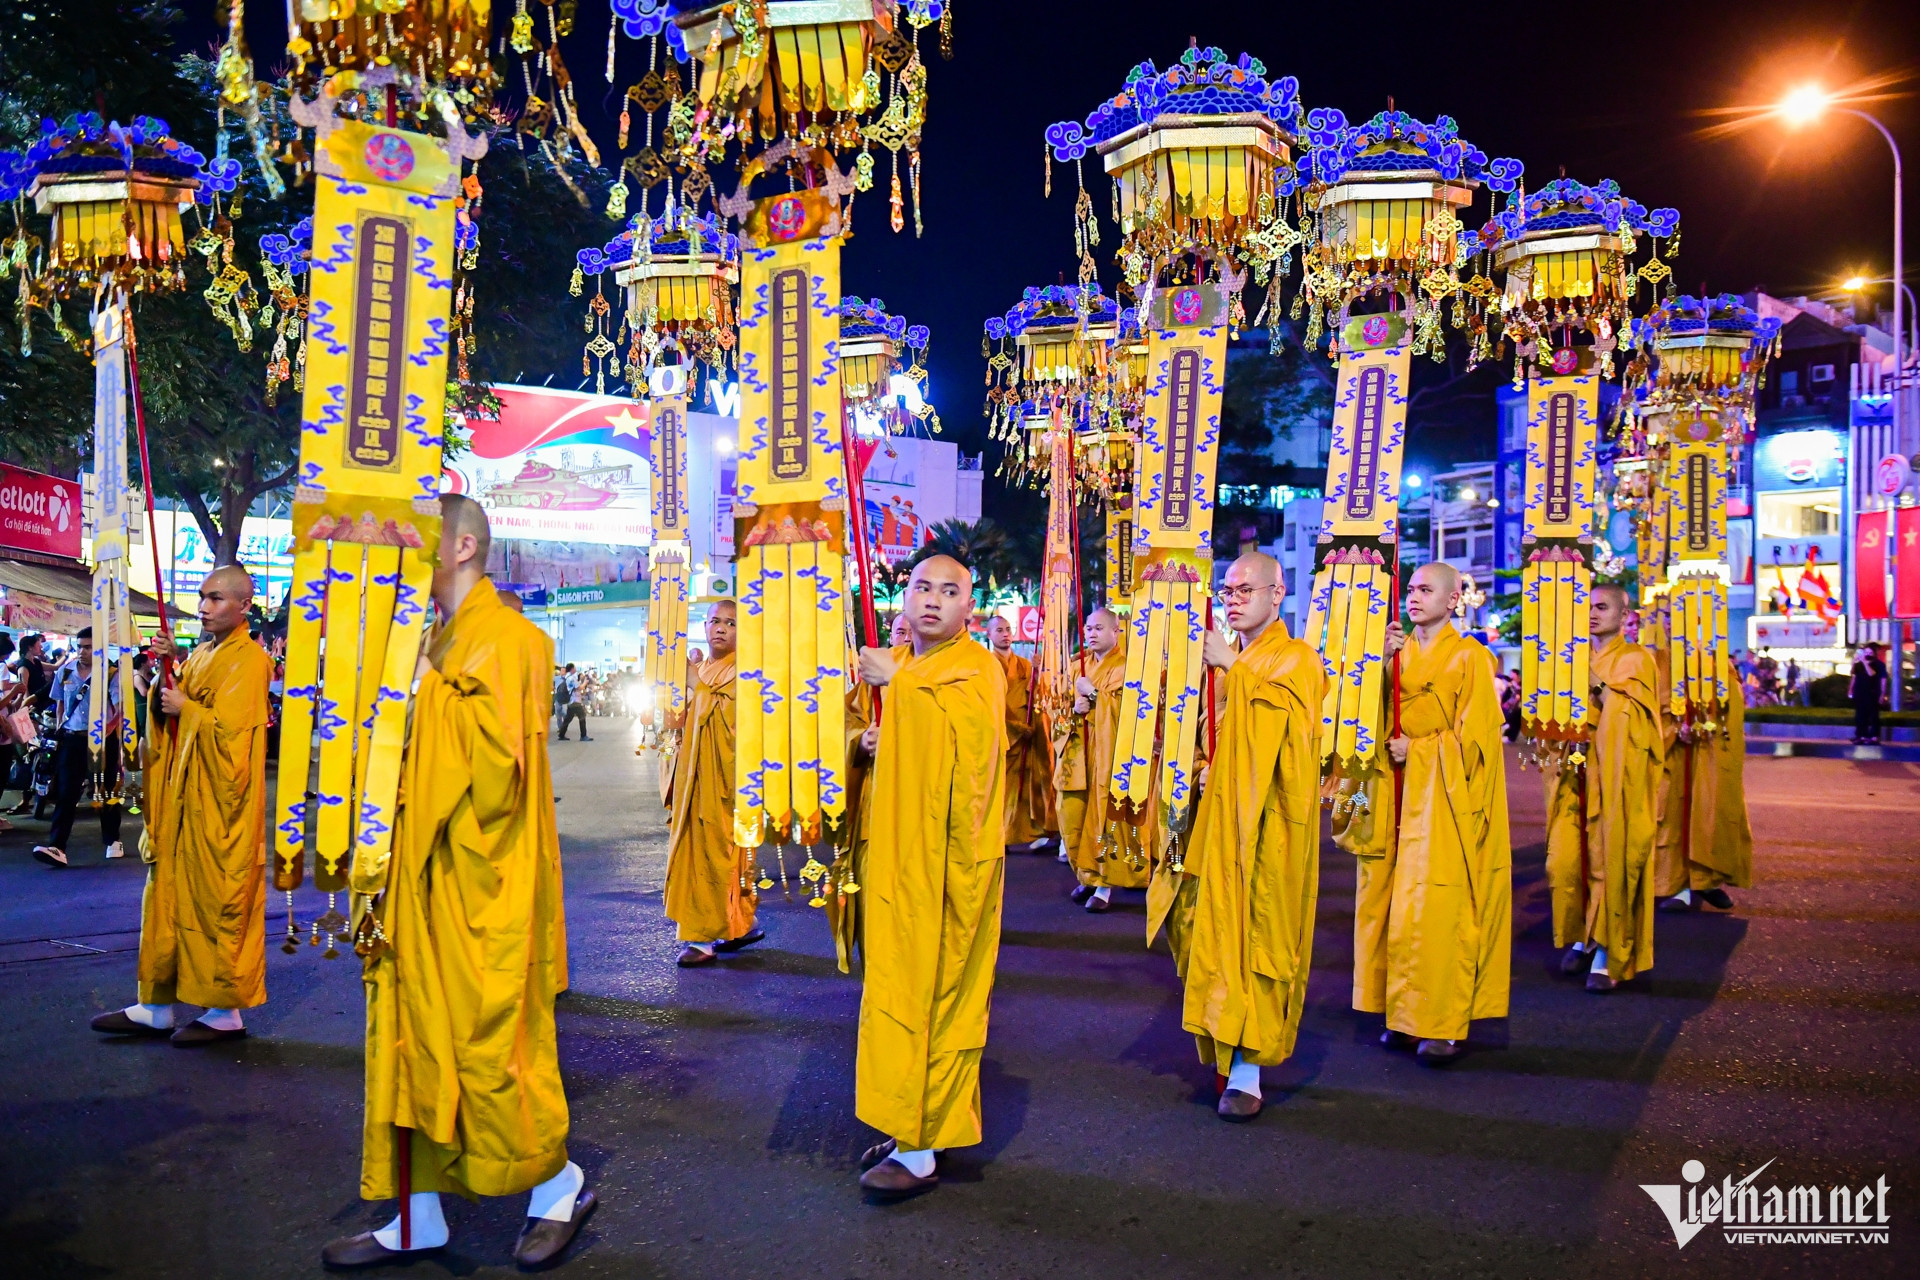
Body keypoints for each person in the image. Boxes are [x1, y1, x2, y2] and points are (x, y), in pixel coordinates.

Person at [322, 494, 593, 1269]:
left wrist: (418, 693)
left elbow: (497, 771)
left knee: (488, 1048)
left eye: (421, 538)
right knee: (411, 1043)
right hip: (420, 877)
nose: (408, 551)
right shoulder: (440, 639)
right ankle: (417, 1214)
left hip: (480, 881)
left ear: (464, 544)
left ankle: (558, 1185)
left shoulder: (504, 639)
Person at [851, 556, 1005, 1199]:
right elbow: (877, 735)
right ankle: (905, 1118)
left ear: (970, 607)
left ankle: (922, 1148)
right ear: (903, 597)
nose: (934, 600)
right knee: (893, 987)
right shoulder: (900, 664)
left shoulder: (978, 668)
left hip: (948, 864)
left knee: (936, 991)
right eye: (922, 587)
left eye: (950, 591)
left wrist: (905, 692)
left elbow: (969, 751)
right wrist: (866, 740)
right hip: (895, 855)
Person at [1333, 562, 1511, 1065]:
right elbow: (1362, 721)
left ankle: (1443, 1024)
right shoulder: (1397, 650)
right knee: (1391, 905)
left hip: (1443, 801)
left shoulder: (1471, 657)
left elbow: (1479, 742)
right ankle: (1402, 1015)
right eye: (1410, 589)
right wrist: (1377, 666)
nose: (1414, 597)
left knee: (1437, 908)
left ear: (1454, 600)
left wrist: (1425, 751)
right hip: (1393, 795)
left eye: (1426, 590)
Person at [89, 567, 273, 1044]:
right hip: (181, 803)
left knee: (218, 903)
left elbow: (232, 741)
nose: (204, 607)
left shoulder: (250, 661)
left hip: (220, 810)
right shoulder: (204, 655)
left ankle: (224, 1011)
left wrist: (185, 709)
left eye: (215, 598)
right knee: (165, 899)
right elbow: (171, 712)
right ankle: (155, 1004)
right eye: (201, 597)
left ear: (243, 607)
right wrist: (167, 679)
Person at [1177, 553, 1324, 1120]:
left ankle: (1248, 1070)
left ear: (1277, 593)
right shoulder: (1232, 658)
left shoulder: (1298, 660)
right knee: (1211, 928)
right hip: (1221, 820)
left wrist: (1235, 677)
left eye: (1245, 590)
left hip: (1270, 827)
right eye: (1227, 590)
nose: (1233, 599)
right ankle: (1223, 1045)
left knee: (1258, 935)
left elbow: (1292, 737)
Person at [1544, 583, 1664, 993]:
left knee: (1609, 861)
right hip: (1572, 777)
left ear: (1624, 615)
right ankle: (1583, 932)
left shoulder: (1637, 659)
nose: (1592, 614)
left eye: (1602, 607)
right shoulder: (1569, 657)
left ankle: (1608, 950)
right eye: (1586, 607)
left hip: (1616, 782)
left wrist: (1594, 685)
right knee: (1564, 861)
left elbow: (1635, 723)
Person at [664, 600, 764, 967]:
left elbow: (737, 724)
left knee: (720, 855)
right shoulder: (702, 667)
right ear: (704, 626)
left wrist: (698, 687)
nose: (721, 628)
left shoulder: (747, 671)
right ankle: (737, 923)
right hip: (695, 779)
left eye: (731, 623)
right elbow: (681, 723)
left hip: (725, 783)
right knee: (702, 856)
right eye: (714, 621)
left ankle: (703, 938)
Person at [831, 613, 913, 974]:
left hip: (922, 807)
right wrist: (862, 741)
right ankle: (879, 977)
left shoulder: (947, 673)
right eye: (899, 632)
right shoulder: (871, 679)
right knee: (870, 892)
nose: (904, 639)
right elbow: (847, 724)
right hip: (874, 804)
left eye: (909, 633)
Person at [1053, 607, 1150, 912]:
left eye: (1098, 628)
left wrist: (1095, 696)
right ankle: (1086, 875)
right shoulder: (1075, 668)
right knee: (1072, 814)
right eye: (1088, 629)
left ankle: (1104, 886)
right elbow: (1059, 710)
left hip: (1111, 757)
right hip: (1079, 754)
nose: (1092, 634)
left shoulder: (1129, 669)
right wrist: (1074, 708)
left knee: (1104, 817)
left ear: (1115, 631)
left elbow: (1134, 714)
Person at [32, 627, 126, 868]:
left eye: (88, 647)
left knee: (105, 792)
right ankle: (57, 846)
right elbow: (61, 703)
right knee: (66, 793)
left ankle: (113, 839)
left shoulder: (111, 673)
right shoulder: (66, 671)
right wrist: (62, 726)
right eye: (79, 646)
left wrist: (108, 730)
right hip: (72, 739)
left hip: (103, 742)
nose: (82, 651)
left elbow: (120, 708)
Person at [985, 615, 1056, 852]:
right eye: (999, 630)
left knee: (1023, 787)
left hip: (1027, 735)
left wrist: (1038, 673)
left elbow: (1038, 697)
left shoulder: (1026, 665)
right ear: (989, 634)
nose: (1005, 634)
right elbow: (989, 702)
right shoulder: (985, 665)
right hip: (1002, 733)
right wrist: (1015, 727)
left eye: (1008, 629)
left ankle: (1023, 831)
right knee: (998, 788)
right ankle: (997, 834)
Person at [1850, 644, 1888, 744]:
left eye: (1870, 653)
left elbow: (1873, 675)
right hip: (1860, 693)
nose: (1867, 655)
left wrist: (1882, 694)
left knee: (1873, 715)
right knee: (1860, 715)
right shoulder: (1859, 664)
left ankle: (1874, 736)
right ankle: (1861, 735)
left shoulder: (1878, 664)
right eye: (1866, 652)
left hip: (1872, 693)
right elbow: (1853, 674)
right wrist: (1854, 662)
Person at [556, 663, 591, 741]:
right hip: (575, 701)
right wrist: (585, 682)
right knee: (582, 717)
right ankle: (583, 736)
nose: (575, 669)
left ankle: (561, 735)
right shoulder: (571, 678)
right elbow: (578, 688)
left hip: (571, 701)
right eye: (574, 668)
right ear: (572, 669)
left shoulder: (567, 677)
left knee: (568, 719)